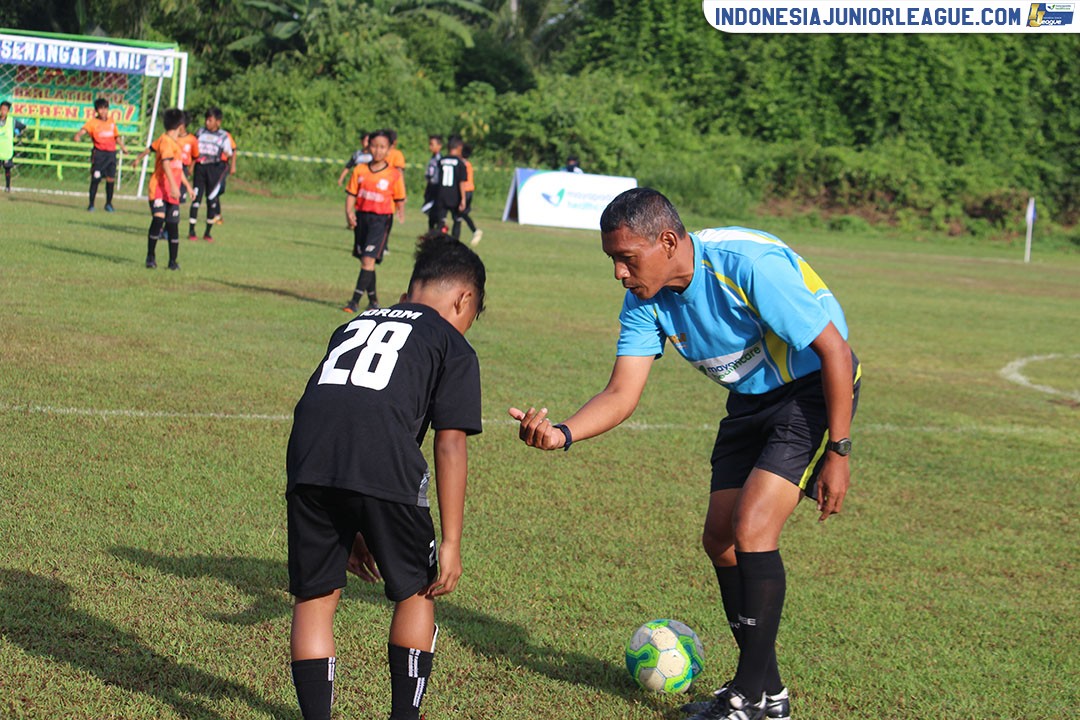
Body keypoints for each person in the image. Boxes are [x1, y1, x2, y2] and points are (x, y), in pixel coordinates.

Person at [509, 188, 861, 720]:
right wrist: (562, 433)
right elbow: (621, 393)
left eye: (626, 258)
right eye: (613, 260)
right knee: (720, 537)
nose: (619, 274)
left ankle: (746, 697)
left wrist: (838, 450)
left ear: (667, 241)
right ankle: (770, 691)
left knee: (753, 528)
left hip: (811, 392)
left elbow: (836, 350)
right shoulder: (644, 303)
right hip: (749, 399)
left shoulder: (747, 265)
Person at [286, 231, 486, 720]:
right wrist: (452, 543)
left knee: (316, 596)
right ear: (463, 299)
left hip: (309, 462)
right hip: (383, 462)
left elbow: (343, 406)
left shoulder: (353, 324)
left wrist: (352, 522)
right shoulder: (451, 343)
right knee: (418, 588)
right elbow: (450, 442)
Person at [342, 129, 406, 312]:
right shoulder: (360, 170)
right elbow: (351, 194)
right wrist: (349, 213)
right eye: (375, 146)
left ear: (389, 150)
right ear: (368, 146)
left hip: (381, 219)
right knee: (366, 262)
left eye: (382, 147)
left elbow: (400, 197)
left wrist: (401, 210)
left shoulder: (394, 174)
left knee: (367, 260)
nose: (378, 150)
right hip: (362, 218)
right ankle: (374, 301)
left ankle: (354, 301)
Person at [133, 108, 193, 270]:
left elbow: (177, 169)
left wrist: (187, 187)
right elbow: (165, 163)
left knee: (173, 225)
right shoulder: (165, 141)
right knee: (159, 219)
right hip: (160, 188)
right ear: (181, 126)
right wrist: (174, 186)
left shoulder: (175, 144)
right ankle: (150, 257)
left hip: (172, 191)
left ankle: (173, 261)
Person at [73, 98, 129, 212]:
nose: (103, 111)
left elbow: (116, 136)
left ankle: (108, 204)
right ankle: (91, 204)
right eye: (101, 109)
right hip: (99, 154)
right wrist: (78, 135)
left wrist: (123, 147)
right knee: (96, 178)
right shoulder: (93, 122)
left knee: (110, 179)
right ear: (97, 110)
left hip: (111, 154)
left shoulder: (111, 121)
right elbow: (84, 130)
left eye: (105, 108)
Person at [188, 107, 234, 242]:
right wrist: (192, 166)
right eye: (206, 119)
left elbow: (229, 153)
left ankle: (208, 232)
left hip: (214, 168)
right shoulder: (200, 132)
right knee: (196, 197)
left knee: (211, 199)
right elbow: (194, 151)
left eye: (210, 120)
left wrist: (225, 165)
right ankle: (192, 230)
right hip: (200, 168)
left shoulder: (223, 136)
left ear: (218, 122)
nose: (207, 122)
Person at [427, 136, 466, 234]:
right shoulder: (460, 163)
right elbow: (461, 182)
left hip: (441, 194)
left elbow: (436, 178)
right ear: (459, 148)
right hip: (454, 195)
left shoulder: (441, 161)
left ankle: (438, 244)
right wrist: (463, 199)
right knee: (457, 220)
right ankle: (454, 245)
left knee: (441, 221)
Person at [453, 143, 481, 246]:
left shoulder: (462, 164)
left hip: (464, 191)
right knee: (461, 214)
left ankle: (475, 231)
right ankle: (473, 231)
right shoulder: (468, 164)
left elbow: (461, 180)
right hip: (470, 190)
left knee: (459, 215)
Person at [0, 100, 27, 193]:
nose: (3, 111)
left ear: (8, 111)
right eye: (2, 109)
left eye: (5, 109)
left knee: (7, 169)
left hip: (7, 149)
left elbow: (24, 127)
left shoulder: (12, 121)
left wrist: (18, 132)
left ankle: (7, 187)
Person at [177, 111, 199, 204]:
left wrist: (191, 168)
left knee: (181, 192)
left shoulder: (192, 139)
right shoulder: (172, 137)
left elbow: (195, 155)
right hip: (173, 166)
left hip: (183, 166)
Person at [421, 134, 443, 213]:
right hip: (430, 185)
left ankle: (442, 224)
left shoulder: (440, 159)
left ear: (439, 146)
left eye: (432, 144)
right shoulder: (432, 158)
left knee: (427, 208)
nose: (430, 147)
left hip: (436, 186)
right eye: (430, 144)